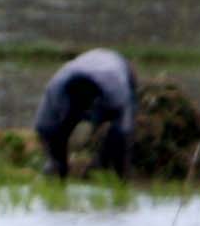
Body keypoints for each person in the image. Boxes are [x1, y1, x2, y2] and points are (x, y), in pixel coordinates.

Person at [37, 45, 136, 178]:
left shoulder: (116, 91)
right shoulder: (55, 91)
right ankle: (60, 171)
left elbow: (123, 130)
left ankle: (108, 166)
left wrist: (117, 167)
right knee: (57, 139)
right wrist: (56, 162)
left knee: (119, 137)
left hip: (115, 65)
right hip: (82, 75)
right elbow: (45, 129)